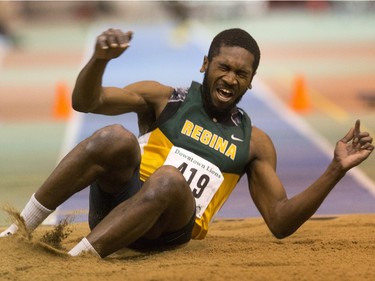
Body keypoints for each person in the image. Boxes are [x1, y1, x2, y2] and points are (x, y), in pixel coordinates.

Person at [1, 28, 373, 258]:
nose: (230, 79)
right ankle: (20, 228)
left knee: (168, 179)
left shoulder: (255, 142)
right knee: (114, 137)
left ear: (252, 81)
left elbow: (280, 221)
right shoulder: (166, 99)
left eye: (241, 74)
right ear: (204, 65)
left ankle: (78, 262)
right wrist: (99, 60)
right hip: (115, 209)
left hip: (168, 230)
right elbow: (86, 102)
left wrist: (335, 170)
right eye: (223, 67)